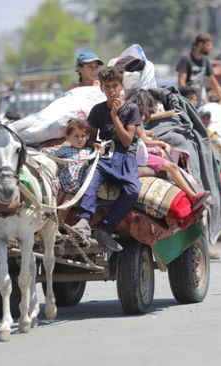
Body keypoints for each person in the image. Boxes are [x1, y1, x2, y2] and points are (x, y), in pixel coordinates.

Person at [73, 66, 142, 252]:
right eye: (107, 87)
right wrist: (92, 145)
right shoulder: (97, 110)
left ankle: (105, 227)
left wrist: (114, 116)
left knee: (133, 190)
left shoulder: (131, 109)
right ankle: (84, 219)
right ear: (102, 88)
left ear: (121, 87)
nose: (111, 91)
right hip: (105, 155)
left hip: (125, 157)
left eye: (114, 86)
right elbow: (90, 138)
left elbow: (127, 141)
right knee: (90, 175)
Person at [128, 89, 212, 209]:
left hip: (135, 152)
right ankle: (193, 196)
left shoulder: (129, 115)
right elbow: (145, 141)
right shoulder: (135, 117)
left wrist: (148, 133)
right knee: (172, 167)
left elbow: (139, 133)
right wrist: (160, 143)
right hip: (137, 155)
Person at [41, 119, 93, 220]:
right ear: (68, 137)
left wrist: (99, 149)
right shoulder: (65, 150)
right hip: (61, 186)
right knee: (51, 207)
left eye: (83, 136)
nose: (80, 139)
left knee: (63, 210)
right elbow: (47, 152)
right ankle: (44, 228)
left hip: (74, 190)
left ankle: (57, 230)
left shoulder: (89, 151)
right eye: (76, 136)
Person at [175, 32, 221, 106]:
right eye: (208, 45)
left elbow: (213, 82)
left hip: (199, 102)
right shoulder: (186, 60)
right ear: (200, 44)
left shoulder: (205, 61)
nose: (211, 48)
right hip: (187, 103)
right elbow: (181, 83)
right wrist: (187, 101)